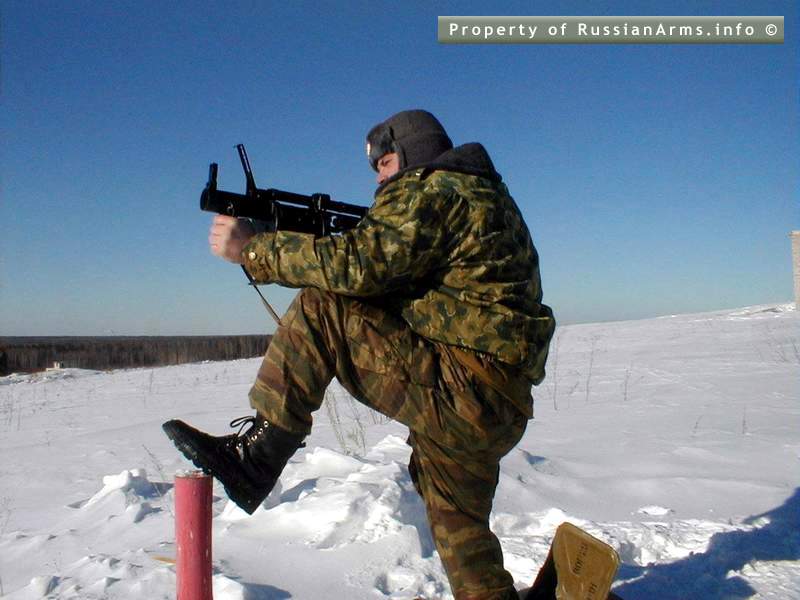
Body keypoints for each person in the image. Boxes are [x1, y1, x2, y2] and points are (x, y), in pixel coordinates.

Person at [163, 109, 555, 600]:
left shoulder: (437, 188)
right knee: (459, 526)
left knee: (322, 307)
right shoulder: (483, 197)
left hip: (461, 388)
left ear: (413, 154)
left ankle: (256, 458)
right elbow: (398, 280)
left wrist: (255, 249)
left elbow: (359, 266)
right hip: (491, 401)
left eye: (386, 163)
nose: (379, 179)